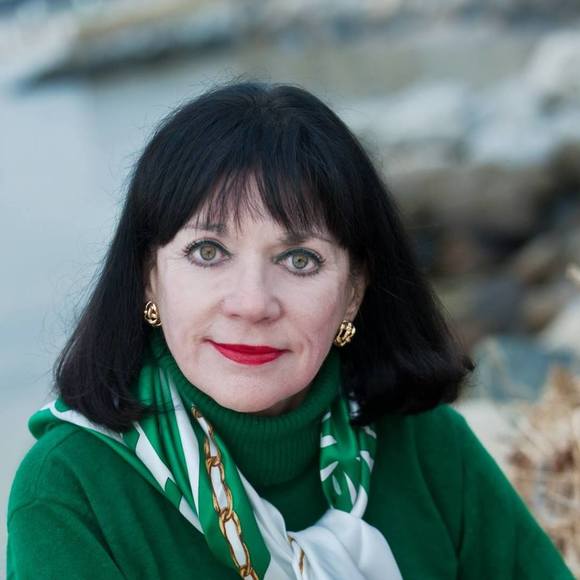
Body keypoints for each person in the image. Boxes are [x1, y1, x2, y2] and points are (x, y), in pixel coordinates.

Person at [6, 82, 574, 580]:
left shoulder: (428, 444)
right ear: (149, 279)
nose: (252, 304)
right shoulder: (71, 491)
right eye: (208, 252)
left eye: (299, 260)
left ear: (354, 291)